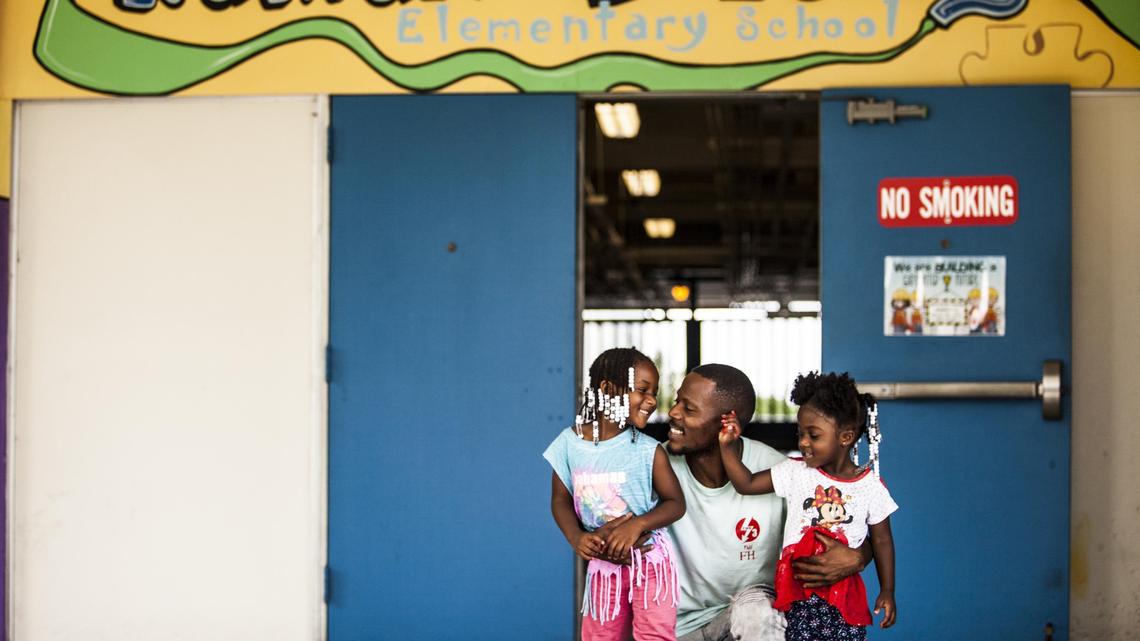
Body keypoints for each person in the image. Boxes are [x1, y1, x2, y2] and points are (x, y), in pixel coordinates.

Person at [593, 364, 871, 641]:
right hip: (673, 627)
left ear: (727, 422)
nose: (673, 413)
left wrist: (859, 557)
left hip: (751, 615)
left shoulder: (780, 472)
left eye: (688, 409)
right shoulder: (651, 468)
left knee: (757, 615)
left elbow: (848, 528)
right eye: (677, 401)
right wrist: (607, 544)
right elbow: (601, 524)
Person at [719, 371, 898, 640]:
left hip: (843, 606)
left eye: (813, 436)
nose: (803, 442)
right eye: (800, 433)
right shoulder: (796, 472)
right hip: (796, 601)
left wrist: (887, 591)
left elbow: (882, 541)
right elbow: (746, 483)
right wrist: (727, 448)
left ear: (846, 437)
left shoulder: (870, 486)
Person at [543, 348, 687, 641]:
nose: (651, 400)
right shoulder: (568, 444)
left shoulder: (649, 450)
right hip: (603, 565)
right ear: (607, 389)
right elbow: (560, 499)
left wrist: (638, 524)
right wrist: (577, 537)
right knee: (599, 636)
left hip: (650, 561)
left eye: (654, 392)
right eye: (643, 390)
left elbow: (676, 503)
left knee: (654, 636)